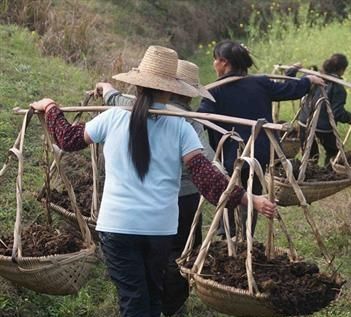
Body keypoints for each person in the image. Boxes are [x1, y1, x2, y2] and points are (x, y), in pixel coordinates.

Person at [30, 45, 276, 317]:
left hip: (117, 227)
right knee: (151, 296)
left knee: (135, 300)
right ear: (171, 89)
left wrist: (50, 107)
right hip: (160, 230)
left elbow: (67, 139)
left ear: (137, 85)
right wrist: (248, 198)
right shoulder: (182, 127)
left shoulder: (112, 117)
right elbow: (207, 179)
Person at [95, 59, 215, 317]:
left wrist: (105, 89)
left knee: (140, 291)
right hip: (174, 205)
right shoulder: (187, 124)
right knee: (177, 256)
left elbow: (113, 102)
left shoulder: (127, 111)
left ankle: (163, 304)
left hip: (140, 215)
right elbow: (205, 167)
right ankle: (172, 304)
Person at [198, 39, 324, 238]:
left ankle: (227, 234)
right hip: (258, 153)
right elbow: (289, 90)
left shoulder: (214, 90)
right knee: (253, 191)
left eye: (214, 60)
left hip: (230, 153)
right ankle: (246, 235)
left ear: (223, 62)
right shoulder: (260, 83)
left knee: (229, 190)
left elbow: (202, 118)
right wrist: (307, 81)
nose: (214, 64)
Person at [286, 53, 351, 167]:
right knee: (334, 152)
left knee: (309, 155)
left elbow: (291, 80)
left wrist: (293, 69)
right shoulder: (338, 88)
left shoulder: (311, 76)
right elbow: (337, 113)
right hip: (322, 126)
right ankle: (327, 174)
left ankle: (308, 175)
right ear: (342, 70)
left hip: (304, 122)